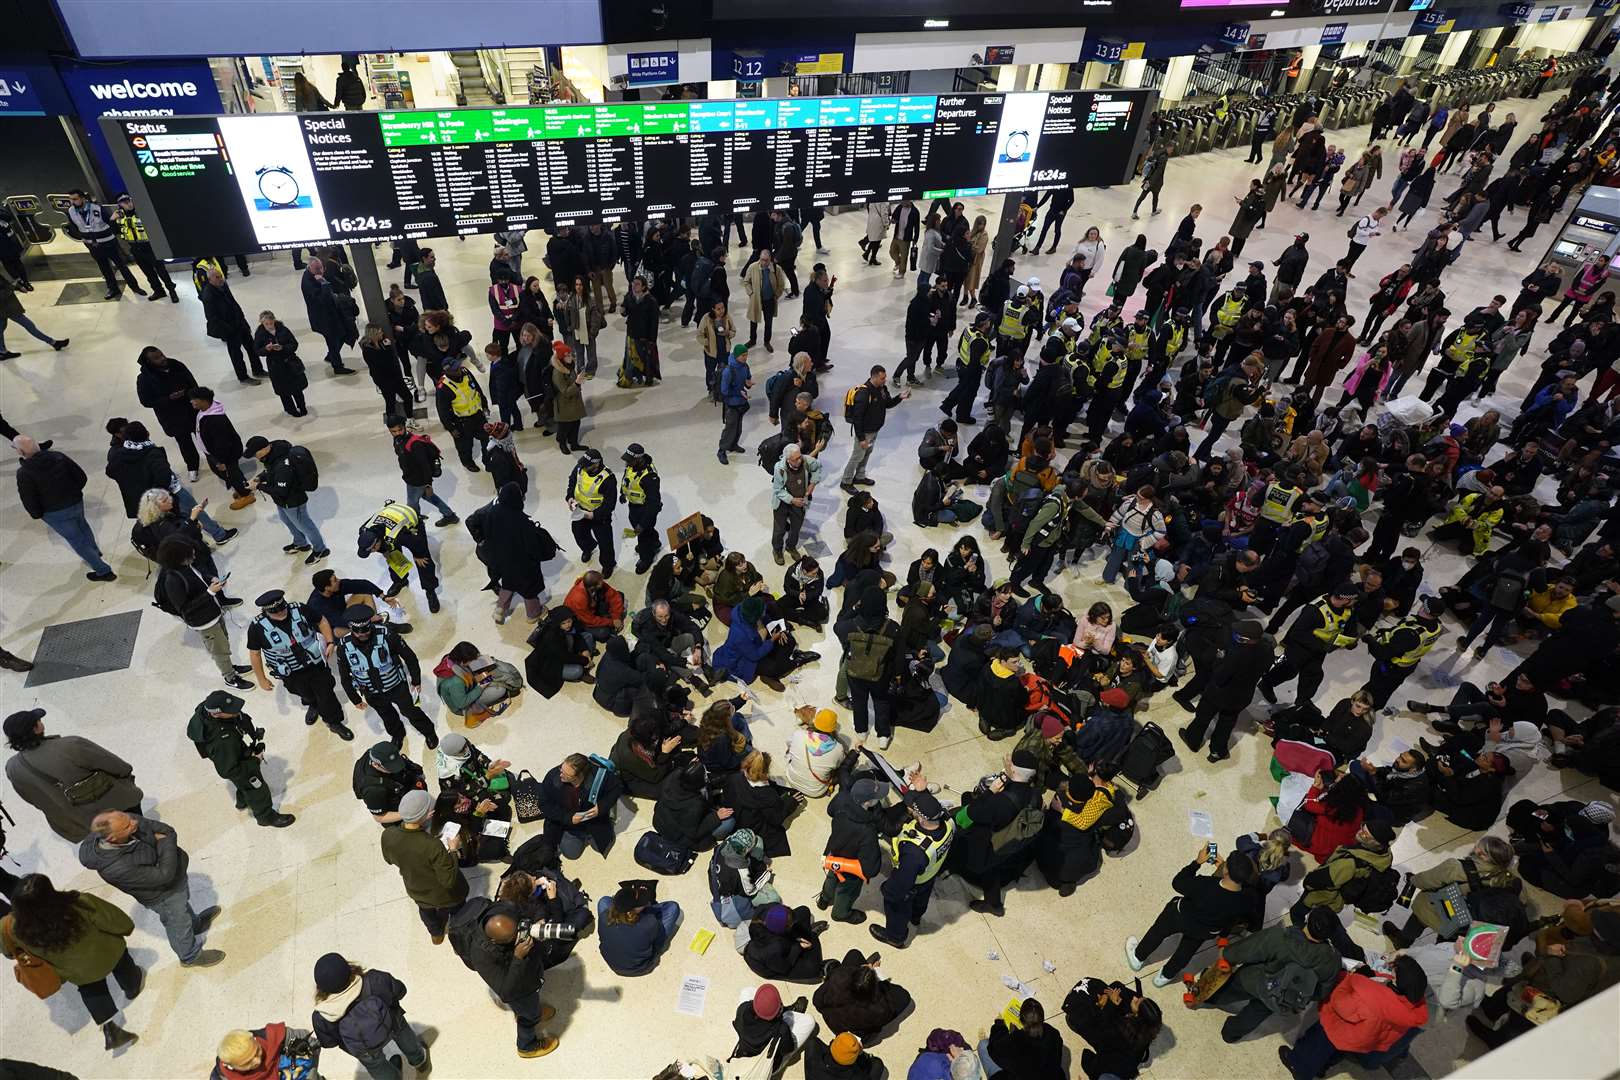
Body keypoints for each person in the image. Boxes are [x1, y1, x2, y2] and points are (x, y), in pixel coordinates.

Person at [2, 873, 143, 1050]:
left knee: (91, 989)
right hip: (108, 951)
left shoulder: (12, 929)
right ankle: (132, 987)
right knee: (123, 964)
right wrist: (126, 927)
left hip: (76, 972)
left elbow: (8, 952)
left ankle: (110, 1029)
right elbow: (111, 918)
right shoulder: (78, 902)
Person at [77, 811, 222, 968]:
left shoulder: (124, 821)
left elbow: (167, 830)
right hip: (162, 895)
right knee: (177, 922)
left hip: (174, 878)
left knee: (183, 907)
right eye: (127, 826)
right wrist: (164, 842)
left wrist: (163, 842)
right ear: (112, 838)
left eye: (129, 818)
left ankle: (196, 925)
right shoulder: (117, 867)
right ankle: (190, 956)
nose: (134, 823)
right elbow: (164, 875)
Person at [3, 709, 144, 843]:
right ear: (36, 729)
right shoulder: (71, 745)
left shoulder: (12, 768)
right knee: (141, 833)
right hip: (115, 806)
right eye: (38, 720)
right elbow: (119, 767)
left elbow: (33, 799)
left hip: (81, 823)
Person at [1125, 846, 1258, 987]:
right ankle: (1164, 976)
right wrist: (1226, 873)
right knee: (1186, 952)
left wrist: (1197, 862)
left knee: (1158, 932)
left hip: (1180, 916)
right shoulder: (1248, 900)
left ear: (1225, 871)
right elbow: (1228, 904)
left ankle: (1137, 957)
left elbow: (1177, 883)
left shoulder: (1204, 884)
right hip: (1206, 931)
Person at [1278, 957, 1429, 1080]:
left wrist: (1354, 977)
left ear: (1399, 982)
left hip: (1343, 1028)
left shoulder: (1372, 999)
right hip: (1363, 1038)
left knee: (1316, 1043)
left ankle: (1298, 1067)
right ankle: (1321, 1068)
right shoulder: (1413, 1005)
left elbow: (1341, 1005)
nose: (1391, 973)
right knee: (1336, 1052)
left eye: (1394, 973)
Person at [446, 895, 559, 1058]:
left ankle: (533, 1011)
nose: (519, 938)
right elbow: (507, 992)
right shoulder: (481, 956)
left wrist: (539, 920)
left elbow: (533, 906)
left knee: (532, 1002)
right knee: (528, 1014)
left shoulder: (506, 910)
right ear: (493, 940)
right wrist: (518, 958)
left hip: (528, 974)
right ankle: (527, 1046)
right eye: (511, 939)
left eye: (517, 931)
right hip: (517, 986)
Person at [247, 589, 353, 741]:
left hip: (315, 664)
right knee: (303, 692)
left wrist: (330, 642)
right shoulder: (257, 627)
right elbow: (255, 653)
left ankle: (334, 721)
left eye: (282, 608)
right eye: (276, 612)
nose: (281, 613)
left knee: (326, 693)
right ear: (266, 611)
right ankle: (312, 703)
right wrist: (261, 679)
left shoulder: (299, 609)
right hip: (291, 672)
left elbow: (321, 620)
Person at [310, 952, 432, 1080]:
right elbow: (400, 990)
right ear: (349, 968)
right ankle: (420, 1062)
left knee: (376, 1066)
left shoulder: (320, 1017)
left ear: (320, 987)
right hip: (391, 1024)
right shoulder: (374, 980)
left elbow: (329, 1042)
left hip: (363, 1048)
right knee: (404, 1035)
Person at [186, 691, 295, 828]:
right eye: (231, 711)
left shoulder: (206, 708)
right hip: (230, 757)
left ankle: (242, 800)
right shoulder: (222, 741)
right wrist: (255, 760)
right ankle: (265, 816)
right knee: (257, 787)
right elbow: (229, 771)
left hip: (231, 751)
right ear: (217, 714)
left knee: (241, 781)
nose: (237, 711)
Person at [14, 436, 116, 582]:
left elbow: (29, 498)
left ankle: (103, 571)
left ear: (21, 452)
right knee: (83, 526)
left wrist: (37, 514)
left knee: (77, 541)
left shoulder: (24, 473)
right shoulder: (58, 457)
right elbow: (81, 477)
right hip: (75, 502)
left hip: (54, 512)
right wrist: (75, 492)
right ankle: (94, 551)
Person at [381, 789, 468, 943]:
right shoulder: (432, 845)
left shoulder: (388, 835)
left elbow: (389, 859)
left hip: (416, 890)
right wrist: (453, 850)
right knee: (458, 907)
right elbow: (448, 880)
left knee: (426, 912)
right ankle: (459, 932)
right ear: (426, 815)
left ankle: (436, 934)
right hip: (445, 895)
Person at [869, 791, 954, 949]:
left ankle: (895, 937)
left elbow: (900, 885)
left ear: (922, 818)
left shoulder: (915, 851)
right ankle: (915, 918)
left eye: (913, 810)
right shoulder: (947, 824)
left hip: (912, 880)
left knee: (897, 909)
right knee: (921, 900)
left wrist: (887, 890)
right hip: (928, 875)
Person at [246, 435, 329, 563]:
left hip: (293, 501)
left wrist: (258, 486)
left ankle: (320, 550)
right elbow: (269, 471)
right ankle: (300, 543)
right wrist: (260, 478)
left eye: (254, 453)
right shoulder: (272, 454)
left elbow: (280, 491)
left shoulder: (283, 465)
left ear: (263, 449)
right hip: (283, 501)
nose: (254, 457)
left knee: (306, 526)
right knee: (287, 521)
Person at [1061, 978, 1162, 1080]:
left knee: (1074, 1019)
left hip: (1108, 1056)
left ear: (1137, 1016)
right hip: (1127, 1058)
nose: (1135, 998)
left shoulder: (1118, 1033)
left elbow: (1101, 1025)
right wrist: (1109, 1000)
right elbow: (1118, 987)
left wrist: (1109, 1005)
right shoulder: (1148, 1029)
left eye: (1137, 1002)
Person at [815, 947, 915, 1042]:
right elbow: (887, 1010)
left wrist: (865, 972)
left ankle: (866, 976)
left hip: (834, 1021)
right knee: (904, 996)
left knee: (854, 954)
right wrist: (882, 982)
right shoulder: (879, 1009)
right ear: (875, 987)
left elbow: (817, 1000)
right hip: (854, 1035)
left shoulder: (838, 976)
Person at [359, 500, 440, 613]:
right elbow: (380, 546)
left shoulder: (398, 535)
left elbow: (417, 542)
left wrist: (418, 555)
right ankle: (400, 581)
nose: (372, 552)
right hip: (392, 518)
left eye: (373, 549)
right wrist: (385, 552)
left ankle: (430, 590)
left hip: (411, 525)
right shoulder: (364, 530)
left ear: (377, 541)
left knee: (423, 561)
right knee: (391, 555)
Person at [841, 365, 910, 492]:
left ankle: (860, 477)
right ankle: (846, 481)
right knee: (857, 456)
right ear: (874, 377)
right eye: (882, 378)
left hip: (874, 430)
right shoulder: (864, 393)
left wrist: (899, 397)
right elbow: (858, 418)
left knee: (867, 453)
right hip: (865, 432)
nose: (885, 380)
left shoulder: (882, 389)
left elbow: (887, 404)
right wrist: (861, 438)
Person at [65, 189, 144, 300]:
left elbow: (110, 223)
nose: (72, 202)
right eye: (71, 199)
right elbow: (74, 227)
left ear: (82, 198)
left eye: (75, 199)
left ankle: (135, 287)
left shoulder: (97, 208)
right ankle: (113, 289)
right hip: (92, 245)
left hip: (108, 243)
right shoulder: (71, 211)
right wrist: (83, 238)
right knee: (104, 268)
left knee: (121, 266)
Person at [596, 878, 681, 977]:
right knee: (673, 907)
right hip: (640, 968)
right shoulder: (650, 922)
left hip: (613, 963)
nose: (644, 902)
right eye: (641, 903)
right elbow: (657, 943)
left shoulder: (604, 916)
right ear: (631, 912)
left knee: (603, 900)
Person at [386, 415, 458, 526]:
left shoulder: (415, 444)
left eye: (399, 430)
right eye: (393, 431)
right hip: (411, 477)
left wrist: (428, 485)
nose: (397, 433)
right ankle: (450, 515)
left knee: (411, 504)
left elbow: (425, 466)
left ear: (405, 427)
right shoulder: (398, 440)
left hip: (417, 481)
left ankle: (415, 524)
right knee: (430, 498)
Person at [980, 998, 1065, 1080]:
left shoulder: (1014, 1043)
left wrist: (999, 1025)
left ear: (1021, 1021)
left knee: (983, 1045)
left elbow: (994, 1050)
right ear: (1042, 1018)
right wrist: (1015, 1034)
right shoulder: (1053, 1033)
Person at [301, 256, 359, 374]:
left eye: (321, 268)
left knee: (341, 335)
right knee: (333, 340)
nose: (320, 271)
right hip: (323, 319)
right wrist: (324, 283)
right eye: (317, 269)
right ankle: (337, 366)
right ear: (309, 268)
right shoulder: (308, 283)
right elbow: (323, 299)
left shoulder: (312, 276)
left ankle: (332, 356)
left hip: (329, 315)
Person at [0, 267, 68, 359]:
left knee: (1, 329)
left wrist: (18, 287)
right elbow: (4, 293)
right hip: (8, 309)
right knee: (29, 325)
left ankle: (2, 352)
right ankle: (54, 343)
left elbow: (6, 285)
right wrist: (12, 286)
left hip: (7, 308)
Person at [772, 443, 822, 565]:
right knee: (779, 529)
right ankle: (777, 550)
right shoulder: (779, 468)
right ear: (788, 459)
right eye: (796, 459)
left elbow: (818, 467)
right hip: (782, 503)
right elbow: (778, 490)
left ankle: (791, 546)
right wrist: (792, 500)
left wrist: (813, 483)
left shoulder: (806, 460)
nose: (800, 460)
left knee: (796, 528)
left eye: (800, 456)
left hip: (799, 503)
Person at [718, 342, 753, 463]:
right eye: (743, 355)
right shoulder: (728, 371)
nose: (745, 357)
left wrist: (748, 384)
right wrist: (739, 392)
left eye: (746, 355)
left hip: (741, 402)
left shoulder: (745, 366)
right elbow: (724, 390)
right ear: (736, 355)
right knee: (730, 427)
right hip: (731, 403)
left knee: (738, 427)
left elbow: (747, 378)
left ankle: (733, 444)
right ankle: (722, 450)